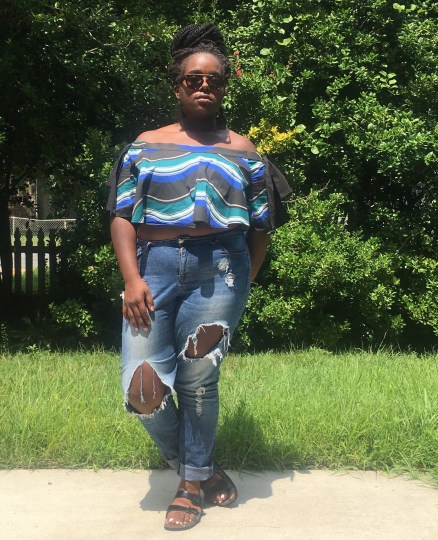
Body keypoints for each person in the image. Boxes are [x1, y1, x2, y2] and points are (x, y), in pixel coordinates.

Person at [107, 23, 291, 531]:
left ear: (224, 87)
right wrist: (131, 279)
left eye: (214, 80)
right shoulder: (146, 146)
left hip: (221, 270)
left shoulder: (244, 151)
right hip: (154, 270)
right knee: (142, 390)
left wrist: (243, 282)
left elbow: (261, 228)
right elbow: (121, 216)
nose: (204, 86)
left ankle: (189, 485)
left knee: (199, 379)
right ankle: (201, 467)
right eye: (194, 79)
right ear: (178, 86)